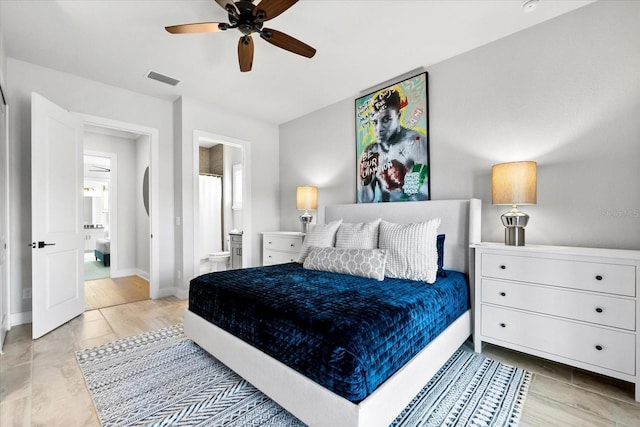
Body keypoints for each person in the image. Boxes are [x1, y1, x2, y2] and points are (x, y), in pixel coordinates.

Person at [358, 88, 428, 202]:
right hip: (381, 214)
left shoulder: (416, 142)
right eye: (375, 122)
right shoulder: (372, 150)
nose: (378, 129)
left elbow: (425, 194)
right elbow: (365, 202)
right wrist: (365, 180)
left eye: (386, 120)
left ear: (398, 115)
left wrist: (403, 180)